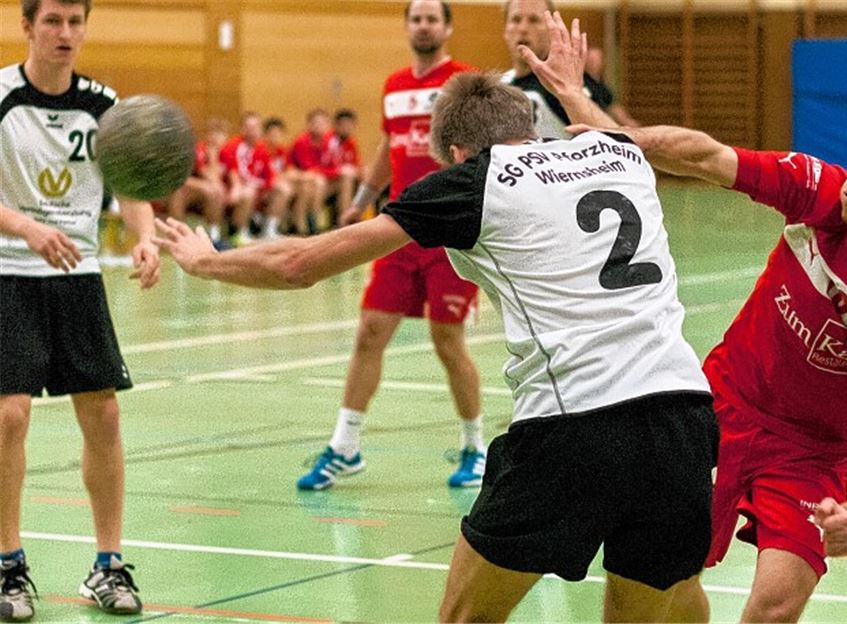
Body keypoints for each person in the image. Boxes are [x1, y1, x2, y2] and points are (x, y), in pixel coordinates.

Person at [155, 68, 718, 624]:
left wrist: (206, 261)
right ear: (529, 120)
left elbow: (301, 265)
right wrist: (573, 93)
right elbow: (630, 137)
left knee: (465, 617)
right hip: (683, 417)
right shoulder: (618, 152)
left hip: (574, 423)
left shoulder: (475, 180)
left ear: (455, 152)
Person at [522, 10, 847, 622]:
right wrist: (596, 123)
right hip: (721, 406)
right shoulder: (822, 193)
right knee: (662, 581)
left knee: (774, 607)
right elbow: (705, 156)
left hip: (812, 454)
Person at [0, 0, 162, 619]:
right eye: (53, 22)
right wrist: (25, 228)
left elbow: (130, 183)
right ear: (28, 27)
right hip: (11, 272)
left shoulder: (104, 104)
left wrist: (144, 236)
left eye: (75, 22)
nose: (65, 34)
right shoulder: (4, 96)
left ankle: (107, 565)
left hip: (79, 276)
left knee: (105, 416)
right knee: (9, 416)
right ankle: (9, 566)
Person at [315, 0, 486, 491]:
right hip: (399, 228)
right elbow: (387, 150)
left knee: (446, 341)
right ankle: (345, 446)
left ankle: (475, 446)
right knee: (369, 332)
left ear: (448, 27)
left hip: (450, 231)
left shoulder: (463, 82)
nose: (424, 25)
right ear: (408, 26)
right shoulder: (393, 86)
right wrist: (363, 199)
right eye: (416, 18)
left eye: (433, 18)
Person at [501, 0, 617, 138]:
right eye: (516, 19)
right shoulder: (499, 85)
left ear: (551, 30)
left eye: (534, 20)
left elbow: (614, 138)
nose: (523, 28)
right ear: (505, 31)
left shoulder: (566, 84)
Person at [219, 111, 291, 243]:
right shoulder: (233, 147)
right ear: (242, 129)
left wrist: (268, 188)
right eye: (249, 127)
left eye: (256, 127)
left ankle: (269, 229)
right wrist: (256, 187)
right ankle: (239, 233)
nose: (253, 131)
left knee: (283, 188)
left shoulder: (261, 148)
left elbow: (270, 176)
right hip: (235, 190)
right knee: (248, 191)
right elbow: (238, 176)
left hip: (255, 186)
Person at [166, 118, 228, 249]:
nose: (216, 138)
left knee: (215, 192)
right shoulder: (200, 149)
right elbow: (210, 177)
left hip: (210, 195)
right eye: (213, 134)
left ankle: (215, 237)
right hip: (186, 190)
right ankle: (179, 237)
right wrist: (213, 158)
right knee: (209, 191)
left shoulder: (227, 153)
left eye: (220, 134)